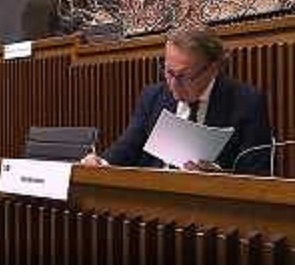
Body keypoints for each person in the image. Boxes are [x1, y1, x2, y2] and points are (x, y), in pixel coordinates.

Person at [81, 28, 273, 175]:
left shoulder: (247, 102)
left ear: (213, 69)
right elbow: (127, 147)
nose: (172, 84)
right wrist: (101, 163)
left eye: (182, 76)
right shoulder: (152, 96)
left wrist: (218, 176)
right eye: (168, 72)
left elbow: (256, 173)